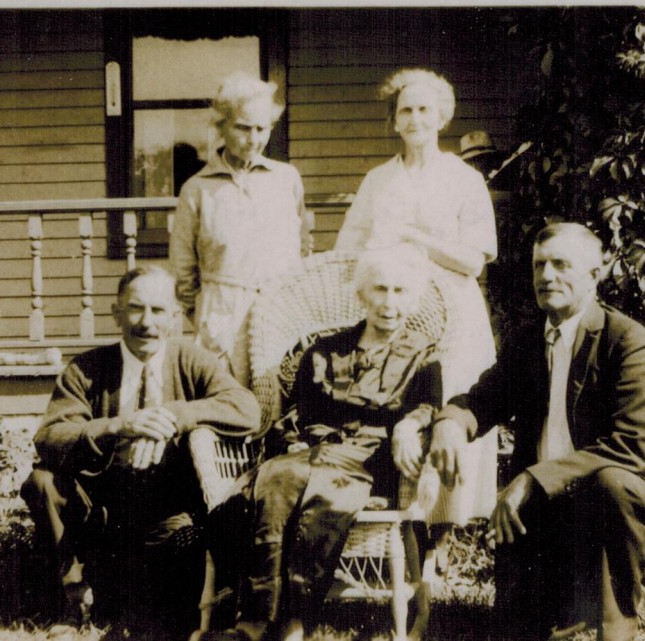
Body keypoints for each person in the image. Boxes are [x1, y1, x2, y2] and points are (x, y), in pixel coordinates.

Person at [428, 223, 645, 641]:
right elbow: (483, 399)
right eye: (540, 265)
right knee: (520, 629)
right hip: (545, 508)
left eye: (561, 264)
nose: (546, 275)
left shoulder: (624, 339)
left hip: (616, 499)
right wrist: (451, 421)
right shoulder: (526, 341)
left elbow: (633, 444)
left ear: (595, 275)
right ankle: (565, 605)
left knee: (613, 483)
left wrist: (532, 479)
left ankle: (618, 623)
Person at [202, 245, 443, 641]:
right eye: (380, 289)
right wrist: (300, 445)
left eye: (401, 291)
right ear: (362, 294)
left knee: (307, 486)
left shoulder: (424, 357)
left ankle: (281, 624)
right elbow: (300, 416)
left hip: (370, 462)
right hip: (311, 454)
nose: (389, 303)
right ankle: (262, 621)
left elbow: (430, 407)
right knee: (272, 481)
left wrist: (406, 427)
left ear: (413, 299)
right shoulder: (324, 351)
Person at [21, 265, 261, 639]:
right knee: (42, 483)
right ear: (116, 313)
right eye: (135, 309)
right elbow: (50, 436)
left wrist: (174, 416)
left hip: (166, 510)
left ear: (175, 318)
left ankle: (127, 599)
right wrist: (120, 425)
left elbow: (245, 408)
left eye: (158, 310)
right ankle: (72, 598)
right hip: (97, 510)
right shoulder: (86, 369)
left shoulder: (192, 360)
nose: (146, 322)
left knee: (163, 607)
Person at [334, 67, 498, 525]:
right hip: (392, 312)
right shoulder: (377, 180)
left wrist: (413, 238)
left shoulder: (464, 179)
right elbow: (347, 250)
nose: (415, 118)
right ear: (394, 120)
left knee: (450, 407)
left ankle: (443, 533)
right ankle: (399, 524)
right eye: (405, 109)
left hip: (455, 314)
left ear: (442, 117)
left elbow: (473, 260)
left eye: (425, 109)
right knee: (398, 409)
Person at [170, 72, 310, 385]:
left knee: (278, 402)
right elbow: (183, 272)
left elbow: (301, 247)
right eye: (243, 128)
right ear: (222, 126)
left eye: (262, 129)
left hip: (279, 313)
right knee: (226, 404)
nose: (253, 138)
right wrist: (207, 317)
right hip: (221, 317)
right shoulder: (198, 189)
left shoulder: (286, 179)